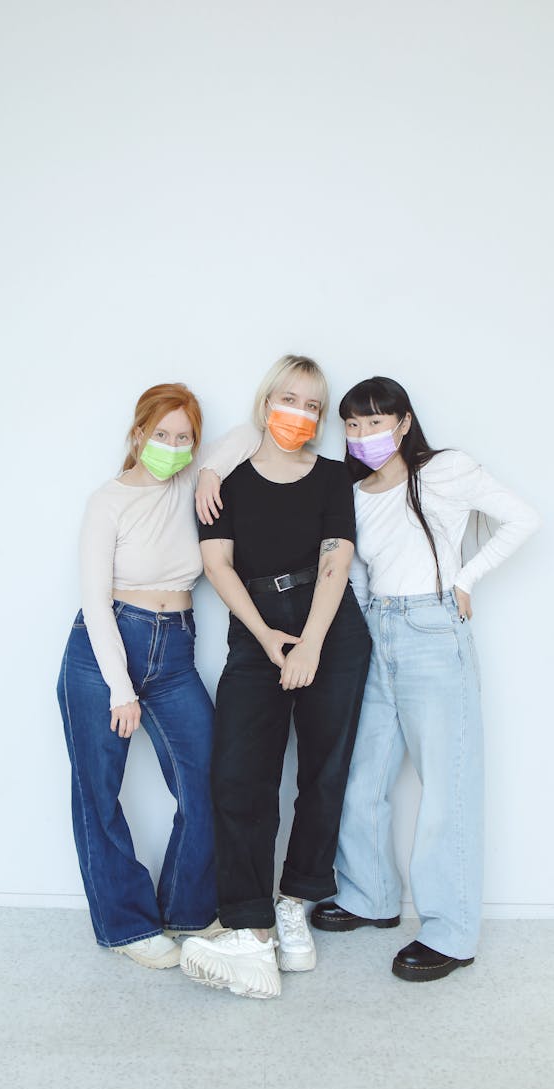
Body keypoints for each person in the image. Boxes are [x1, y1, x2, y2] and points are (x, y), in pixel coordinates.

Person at [311, 376, 541, 981]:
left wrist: (466, 579)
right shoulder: (356, 492)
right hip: (379, 631)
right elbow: (357, 570)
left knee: (448, 786)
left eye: (374, 422)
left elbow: (521, 519)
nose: (363, 435)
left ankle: (450, 932)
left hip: (433, 631)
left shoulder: (445, 471)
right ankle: (370, 896)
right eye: (352, 426)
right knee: (364, 774)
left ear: (404, 422)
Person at [180, 356, 372, 999]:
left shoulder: (334, 478)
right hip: (255, 624)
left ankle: (295, 904)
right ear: (266, 403)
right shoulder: (222, 483)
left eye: (313, 404)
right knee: (240, 775)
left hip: (330, 627)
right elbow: (218, 566)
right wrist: (269, 640)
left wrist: (310, 643)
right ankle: (250, 929)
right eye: (289, 398)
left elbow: (335, 560)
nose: (300, 412)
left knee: (324, 771)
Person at [57, 383, 260, 969]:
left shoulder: (187, 488)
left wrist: (209, 472)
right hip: (105, 650)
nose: (173, 446)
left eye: (185, 437)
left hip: (175, 654)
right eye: (162, 434)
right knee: (98, 791)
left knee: (207, 780)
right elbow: (94, 602)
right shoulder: (108, 500)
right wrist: (120, 688)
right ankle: (126, 928)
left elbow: (250, 432)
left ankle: (188, 913)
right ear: (138, 433)